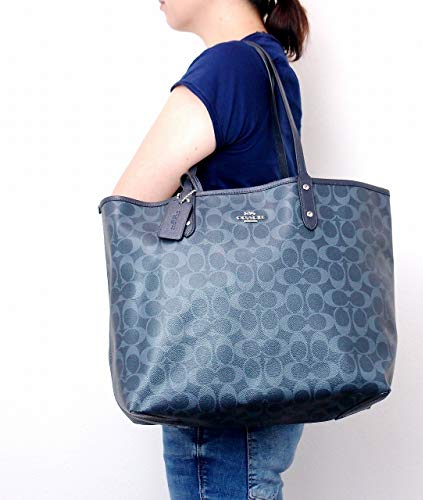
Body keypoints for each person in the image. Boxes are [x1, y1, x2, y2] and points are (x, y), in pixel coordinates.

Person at [111, 1, 310, 498]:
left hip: (219, 367)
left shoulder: (231, 65)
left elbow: (130, 206)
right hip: (269, 357)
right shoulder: (270, 65)